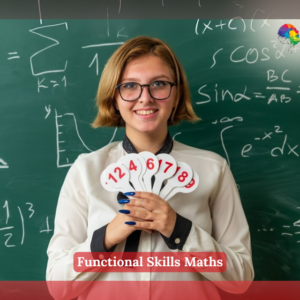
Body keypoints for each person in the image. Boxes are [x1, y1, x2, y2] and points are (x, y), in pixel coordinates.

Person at [46, 36, 254, 300]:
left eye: (159, 84)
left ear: (176, 93)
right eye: (130, 86)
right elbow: (58, 286)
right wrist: (107, 237)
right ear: (115, 97)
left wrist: (181, 230)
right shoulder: (86, 171)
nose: (145, 98)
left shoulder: (213, 169)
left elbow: (241, 278)